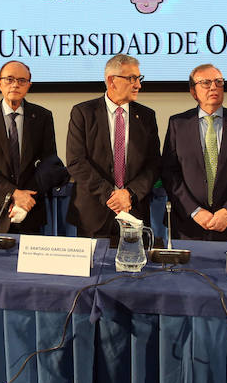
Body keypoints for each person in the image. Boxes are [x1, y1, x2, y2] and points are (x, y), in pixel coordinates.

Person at [161, 64, 227, 241]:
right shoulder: (178, 124)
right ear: (193, 92)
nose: (214, 87)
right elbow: (170, 174)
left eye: (218, 82)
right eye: (206, 83)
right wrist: (194, 210)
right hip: (189, 225)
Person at [66, 54, 161, 243]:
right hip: (93, 215)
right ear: (112, 81)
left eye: (139, 78)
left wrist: (129, 194)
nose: (138, 85)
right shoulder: (83, 112)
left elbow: (154, 164)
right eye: (132, 78)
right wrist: (110, 195)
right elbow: (76, 162)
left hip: (133, 211)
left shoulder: (146, 116)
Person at [0, 61, 65, 234]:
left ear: (29, 85)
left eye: (22, 80)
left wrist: (25, 197)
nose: (15, 85)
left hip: (31, 207)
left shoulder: (42, 117)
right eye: (9, 79)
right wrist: (13, 193)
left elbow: (49, 162)